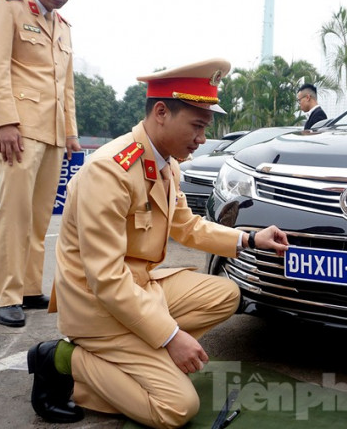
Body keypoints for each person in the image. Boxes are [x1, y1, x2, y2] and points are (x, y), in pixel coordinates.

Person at [27, 58, 290, 427]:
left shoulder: (166, 162)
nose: (202, 138)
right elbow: (105, 278)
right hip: (98, 305)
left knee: (226, 295)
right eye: (197, 126)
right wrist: (170, 337)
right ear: (162, 112)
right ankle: (64, 358)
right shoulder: (108, 171)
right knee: (176, 408)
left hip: (139, 287)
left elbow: (185, 225)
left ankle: (135, 364)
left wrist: (248, 238)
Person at [0, 0, 84, 328]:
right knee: (13, 215)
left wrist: (71, 134)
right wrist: (3, 122)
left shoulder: (63, 27)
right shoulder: (8, 8)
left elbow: (66, 87)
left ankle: (30, 287)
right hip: (18, 130)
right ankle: (5, 295)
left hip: (52, 136)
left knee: (39, 215)